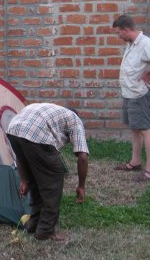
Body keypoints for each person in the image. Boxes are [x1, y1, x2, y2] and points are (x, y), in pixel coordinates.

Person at [6, 103, 89, 242]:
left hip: (12, 128)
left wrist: (25, 180)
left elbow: (21, 157)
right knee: (53, 178)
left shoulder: (52, 112)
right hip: (36, 133)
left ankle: (33, 224)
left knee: (38, 176)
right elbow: (83, 157)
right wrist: (81, 186)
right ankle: (46, 230)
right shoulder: (75, 119)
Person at [112, 14, 150, 181]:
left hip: (139, 94)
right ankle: (135, 162)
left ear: (126, 29)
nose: (118, 36)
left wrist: (148, 73)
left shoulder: (145, 43)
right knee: (135, 129)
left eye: (118, 33)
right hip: (129, 93)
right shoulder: (131, 44)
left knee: (145, 130)